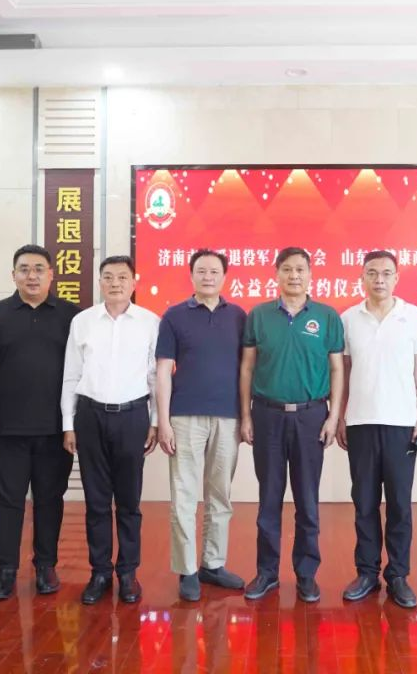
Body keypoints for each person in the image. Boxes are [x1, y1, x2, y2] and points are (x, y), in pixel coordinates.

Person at [0, 245, 80, 600]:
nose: (32, 276)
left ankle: (46, 566)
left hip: (55, 431)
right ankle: (6, 570)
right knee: (7, 501)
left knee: (50, 499)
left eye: (39, 269)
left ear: (51, 274)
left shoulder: (72, 316)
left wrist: (73, 423)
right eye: (24, 269)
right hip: (6, 429)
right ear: (13, 275)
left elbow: (84, 372)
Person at [240, 246, 344, 604]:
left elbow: (337, 368)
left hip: (311, 416)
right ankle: (267, 573)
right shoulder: (259, 316)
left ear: (311, 274)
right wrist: (246, 415)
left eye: (300, 269)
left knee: (307, 500)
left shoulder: (327, 317)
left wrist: (333, 416)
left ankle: (306, 574)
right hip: (267, 414)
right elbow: (247, 368)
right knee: (268, 498)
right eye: (287, 269)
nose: (294, 275)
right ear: (277, 274)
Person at [337, 250, 417, 608]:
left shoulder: (414, 316)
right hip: (360, 422)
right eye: (372, 272)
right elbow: (344, 370)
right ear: (362, 277)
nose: (379, 279)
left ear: (396, 278)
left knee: (399, 504)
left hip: (402, 424)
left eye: (386, 273)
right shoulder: (349, 318)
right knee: (363, 501)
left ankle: (398, 575)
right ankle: (366, 572)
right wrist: (340, 415)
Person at [62, 255, 159, 605]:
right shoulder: (83, 321)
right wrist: (68, 423)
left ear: (134, 281)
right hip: (90, 417)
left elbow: (155, 376)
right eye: (107, 277)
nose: (115, 283)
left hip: (133, 417)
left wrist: (155, 421)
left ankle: (128, 572)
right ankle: (100, 571)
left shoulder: (150, 322)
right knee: (97, 500)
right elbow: (71, 375)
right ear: (99, 281)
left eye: (122, 277)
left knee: (129, 501)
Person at [156, 249, 247, 602]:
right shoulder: (174, 316)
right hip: (184, 417)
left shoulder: (238, 316)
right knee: (184, 494)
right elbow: (163, 372)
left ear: (225, 276)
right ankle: (187, 570)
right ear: (191, 275)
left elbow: (247, 369)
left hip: (228, 416)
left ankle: (213, 563)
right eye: (201, 271)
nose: (208, 277)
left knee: (219, 494)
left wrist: (246, 415)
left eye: (214, 271)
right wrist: (163, 421)